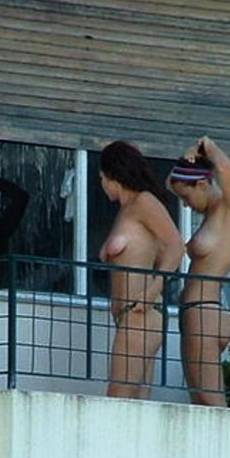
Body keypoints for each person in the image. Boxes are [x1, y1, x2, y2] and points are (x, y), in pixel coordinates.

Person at [98, 140, 185, 399]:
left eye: (102, 177)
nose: (102, 185)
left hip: (141, 313)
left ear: (114, 176)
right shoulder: (126, 211)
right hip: (130, 315)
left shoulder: (144, 202)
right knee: (136, 404)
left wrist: (152, 289)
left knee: (117, 400)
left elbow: (176, 246)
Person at [167, 136, 230, 406]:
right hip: (196, 311)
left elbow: (225, 170)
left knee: (211, 402)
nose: (186, 205)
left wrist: (205, 146)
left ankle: (228, 449)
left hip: (205, 310)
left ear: (203, 184)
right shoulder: (212, 217)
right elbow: (170, 181)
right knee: (200, 402)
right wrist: (187, 154)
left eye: (187, 197)